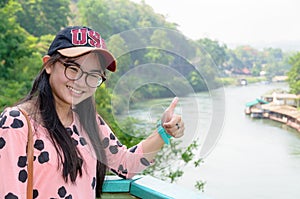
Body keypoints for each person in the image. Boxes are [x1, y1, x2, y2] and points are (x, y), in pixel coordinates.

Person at [0, 26, 185, 198]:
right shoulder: (17, 123)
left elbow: (127, 164)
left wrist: (164, 132)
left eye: (93, 75)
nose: (81, 82)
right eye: (73, 69)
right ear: (49, 64)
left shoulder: (89, 123)